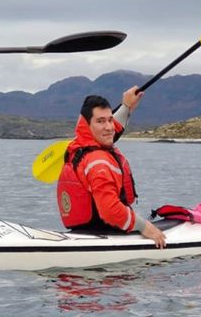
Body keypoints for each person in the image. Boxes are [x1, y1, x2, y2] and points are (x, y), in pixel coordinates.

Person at [56, 87, 166, 248]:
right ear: (87, 125)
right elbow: (110, 211)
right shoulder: (98, 163)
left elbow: (111, 130)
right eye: (101, 121)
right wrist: (146, 227)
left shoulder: (78, 146)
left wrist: (126, 106)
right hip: (107, 232)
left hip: (84, 230)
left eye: (110, 120)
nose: (109, 126)